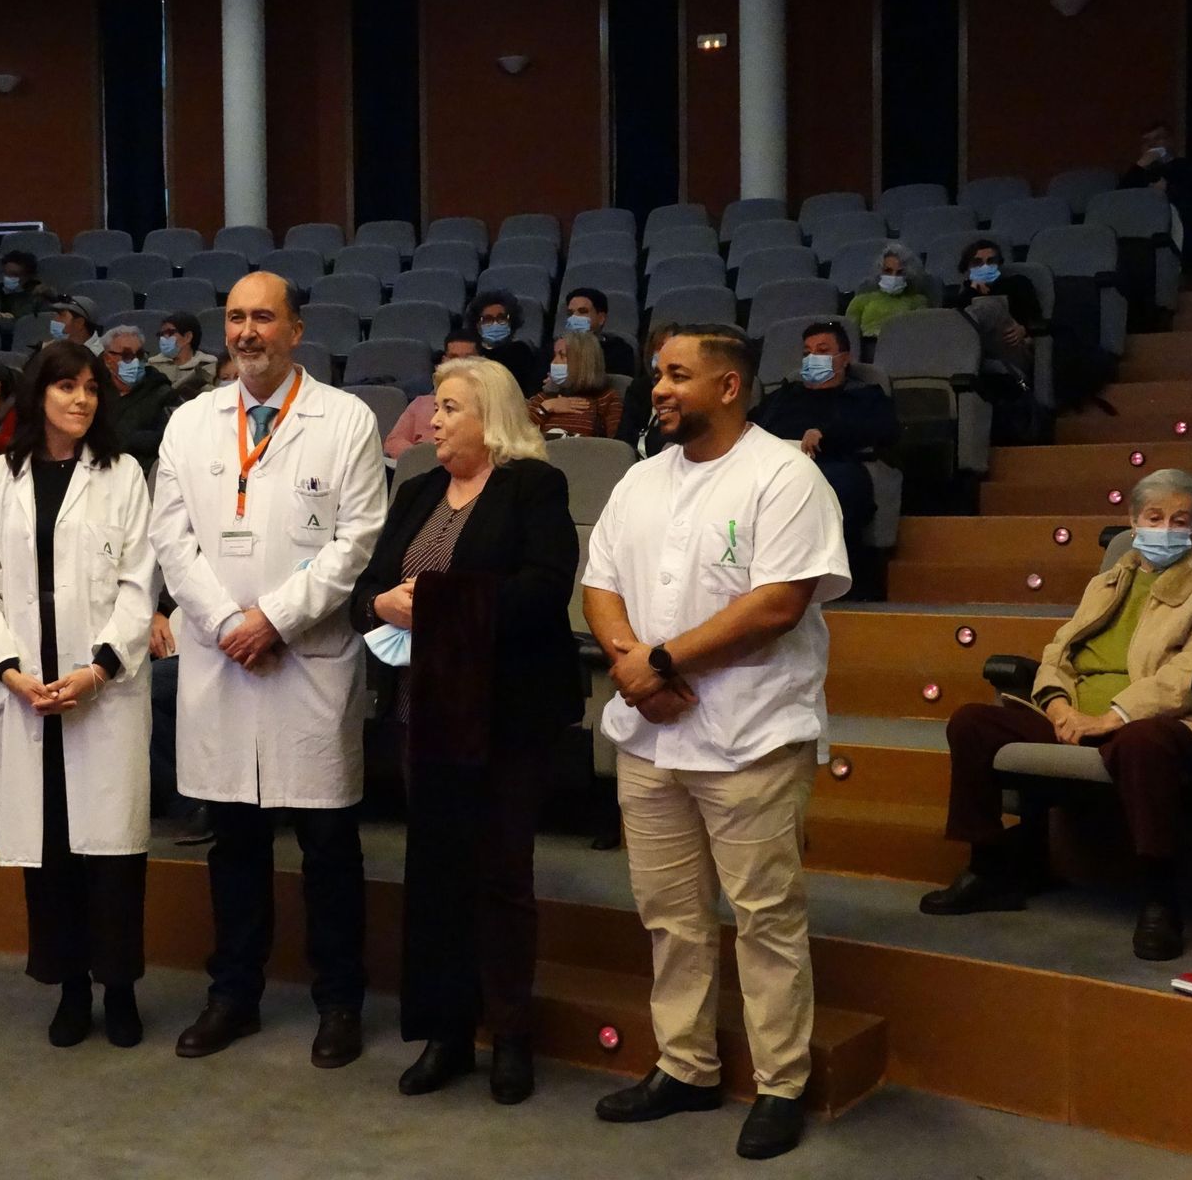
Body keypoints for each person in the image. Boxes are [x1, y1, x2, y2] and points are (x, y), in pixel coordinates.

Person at [581, 324, 849, 1161]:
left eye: (676, 375)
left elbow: (776, 604)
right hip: (651, 734)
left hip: (750, 733)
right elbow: (600, 584)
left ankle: (781, 1082)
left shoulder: (786, 475)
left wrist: (657, 662)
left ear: (729, 386)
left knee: (765, 915)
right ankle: (686, 1065)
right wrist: (635, 668)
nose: (658, 388)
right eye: (659, 374)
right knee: (670, 915)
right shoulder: (639, 480)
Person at [150, 271, 387, 1069]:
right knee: (235, 842)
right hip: (222, 659)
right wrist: (225, 624)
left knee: (328, 845)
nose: (247, 332)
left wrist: (276, 618)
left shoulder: (345, 418)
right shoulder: (189, 422)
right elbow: (171, 538)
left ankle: (339, 1002)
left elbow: (358, 541)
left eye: (263, 318)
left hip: (307, 657)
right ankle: (234, 995)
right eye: (235, 318)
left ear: (295, 328)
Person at [349, 355, 580, 1105]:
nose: (435, 421)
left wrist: (439, 605)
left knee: (502, 873)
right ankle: (446, 1031)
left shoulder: (534, 486)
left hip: (506, 713)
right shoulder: (416, 492)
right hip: (426, 716)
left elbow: (543, 592)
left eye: (449, 408)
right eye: (436, 408)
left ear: (492, 417)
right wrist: (383, 605)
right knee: (437, 873)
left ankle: (510, 1031)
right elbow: (367, 592)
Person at [0, 338, 158, 1048]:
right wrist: (10, 671)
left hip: (100, 687)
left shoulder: (123, 474)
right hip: (28, 686)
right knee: (52, 849)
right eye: (66, 386)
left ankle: (122, 987)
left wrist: (99, 667)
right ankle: (71, 987)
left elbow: (140, 584)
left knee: (111, 849)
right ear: (38, 394)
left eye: (92, 389)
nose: (80, 400)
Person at [921, 470, 1192, 962]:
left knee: (1143, 743)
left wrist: (1115, 715)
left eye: (1179, 520)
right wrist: (1058, 707)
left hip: (1153, 721)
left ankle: (1160, 899)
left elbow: (1189, 674)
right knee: (973, 722)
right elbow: (1058, 651)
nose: (1165, 529)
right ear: (1133, 520)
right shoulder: (1108, 579)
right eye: (1154, 517)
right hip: (1077, 713)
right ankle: (990, 868)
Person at [750, 321, 898, 575]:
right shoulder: (783, 397)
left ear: (844, 359)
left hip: (832, 466)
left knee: (838, 485)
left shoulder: (864, 394)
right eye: (807, 353)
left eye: (822, 351)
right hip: (772, 468)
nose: (812, 358)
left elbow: (886, 430)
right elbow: (749, 426)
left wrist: (827, 434)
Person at [1121, 121, 1192, 269]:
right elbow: (1119, 199)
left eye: (1158, 139)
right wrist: (1141, 165)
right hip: (1146, 241)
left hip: (1189, 238)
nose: (1152, 144)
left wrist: (1167, 189)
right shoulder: (1139, 176)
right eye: (1146, 141)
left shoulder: (1191, 168)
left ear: (1170, 141)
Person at [947, 238, 1040, 378]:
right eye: (977, 263)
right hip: (974, 356)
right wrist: (973, 288)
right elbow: (949, 319)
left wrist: (1024, 330)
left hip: (1012, 353)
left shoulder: (1017, 284)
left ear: (999, 264)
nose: (985, 267)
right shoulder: (963, 297)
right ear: (967, 268)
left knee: (988, 305)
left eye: (991, 262)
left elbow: (1038, 321)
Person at [385, 332, 479, 459]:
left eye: (468, 359)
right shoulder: (420, 403)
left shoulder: (492, 403)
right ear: (444, 361)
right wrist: (422, 456)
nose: (460, 364)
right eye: (454, 358)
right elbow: (394, 442)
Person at [100, 325, 178, 473]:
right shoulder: (94, 392)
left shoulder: (163, 393)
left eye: (140, 355)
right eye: (127, 356)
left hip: (144, 474)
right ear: (107, 359)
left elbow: (173, 438)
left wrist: (133, 440)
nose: (135, 362)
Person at [528, 332, 622, 439]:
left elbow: (618, 446)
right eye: (554, 356)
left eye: (562, 356)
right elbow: (518, 437)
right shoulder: (544, 398)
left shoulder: (607, 398)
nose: (553, 363)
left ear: (583, 363)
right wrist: (546, 408)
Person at [616, 321, 681, 462]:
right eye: (658, 348)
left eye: (668, 348)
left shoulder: (685, 389)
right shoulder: (639, 388)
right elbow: (623, 436)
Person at [843, 243, 931, 340]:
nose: (893, 276)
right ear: (880, 271)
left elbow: (919, 335)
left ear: (909, 274)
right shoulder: (860, 301)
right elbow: (848, 337)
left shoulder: (918, 302)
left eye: (900, 272)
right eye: (888, 271)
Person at [463, 289, 539, 398]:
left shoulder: (521, 351)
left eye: (501, 318)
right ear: (477, 325)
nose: (495, 323)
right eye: (488, 319)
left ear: (511, 322)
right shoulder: (473, 352)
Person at [562, 287, 636, 377]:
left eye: (582, 312)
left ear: (601, 318)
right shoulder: (554, 349)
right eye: (570, 313)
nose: (574, 318)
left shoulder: (619, 352)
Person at [149, 310, 220, 397]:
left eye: (170, 333)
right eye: (161, 334)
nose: (163, 338)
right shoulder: (152, 366)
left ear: (187, 337)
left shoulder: (210, 365)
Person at [0, 251, 51, 324]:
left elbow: (41, 324)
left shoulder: (41, 295)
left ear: (29, 276)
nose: (8, 278)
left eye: (15, 275)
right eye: (5, 273)